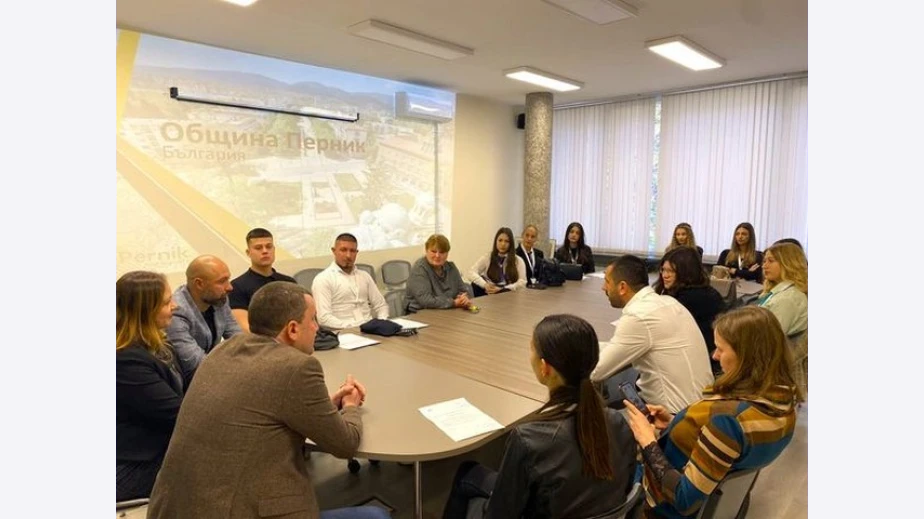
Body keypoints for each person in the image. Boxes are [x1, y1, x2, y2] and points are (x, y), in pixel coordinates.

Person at [148, 281, 390, 519]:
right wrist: (350, 406)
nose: (317, 327)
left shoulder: (223, 350)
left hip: (172, 508)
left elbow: (261, 405)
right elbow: (345, 445)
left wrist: (324, 405)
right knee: (376, 516)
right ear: (292, 329)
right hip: (232, 510)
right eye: (312, 319)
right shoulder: (297, 367)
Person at [442, 314, 637, 519]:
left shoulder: (528, 439)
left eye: (531, 349)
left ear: (545, 368)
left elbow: (500, 513)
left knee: (468, 474)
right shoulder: (617, 422)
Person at [622, 306, 800, 518]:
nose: (715, 356)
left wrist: (648, 441)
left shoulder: (728, 422)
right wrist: (674, 422)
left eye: (721, 349)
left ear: (746, 357)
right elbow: (721, 450)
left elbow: (683, 500)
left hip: (660, 507)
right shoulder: (783, 405)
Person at [591, 255, 713, 414]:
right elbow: (621, 347)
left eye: (607, 281)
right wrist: (587, 346)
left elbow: (596, 371)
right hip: (700, 406)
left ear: (622, 287)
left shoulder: (638, 316)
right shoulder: (668, 302)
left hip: (673, 417)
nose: (603, 288)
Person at [116, 271, 183, 501]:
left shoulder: (159, 346)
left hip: (153, 452)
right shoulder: (125, 360)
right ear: (145, 310)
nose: (175, 306)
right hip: (132, 465)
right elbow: (177, 414)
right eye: (166, 302)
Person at [167, 255, 243, 380]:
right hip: (188, 383)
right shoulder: (176, 311)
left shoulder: (219, 299)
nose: (230, 287)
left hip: (213, 374)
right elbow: (196, 363)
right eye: (222, 281)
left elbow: (238, 339)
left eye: (228, 279)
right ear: (199, 284)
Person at [653, 248, 725, 375]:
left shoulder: (688, 299)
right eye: (663, 270)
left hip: (701, 364)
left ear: (686, 272)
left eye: (671, 271)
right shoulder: (705, 290)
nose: (665, 275)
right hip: (705, 359)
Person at [312, 233, 389, 329]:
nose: (348, 255)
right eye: (343, 250)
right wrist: (355, 327)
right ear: (334, 251)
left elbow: (381, 305)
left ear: (357, 252)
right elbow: (324, 318)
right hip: (342, 332)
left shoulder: (365, 276)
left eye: (352, 251)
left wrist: (382, 323)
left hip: (370, 330)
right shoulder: (323, 279)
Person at [229, 228, 297, 332]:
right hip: (258, 340)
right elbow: (245, 328)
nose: (265, 251)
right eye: (258, 248)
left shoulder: (289, 283)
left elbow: (300, 317)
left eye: (269, 247)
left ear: (274, 249)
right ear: (248, 252)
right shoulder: (236, 287)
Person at [406, 234, 474, 312]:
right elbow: (426, 300)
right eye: (433, 251)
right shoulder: (419, 269)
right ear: (426, 251)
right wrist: (453, 303)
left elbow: (463, 290)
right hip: (419, 313)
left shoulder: (451, 267)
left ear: (447, 253)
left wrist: (464, 298)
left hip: (446, 310)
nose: (437, 255)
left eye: (442, 252)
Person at [757, 242, 808, 337]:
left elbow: (769, 339)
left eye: (771, 261)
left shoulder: (787, 299)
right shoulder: (781, 291)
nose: (764, 266)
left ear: (788, 263)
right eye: (764, 261)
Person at [468, 227, 527, 296]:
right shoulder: (488, 257)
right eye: (500, 240)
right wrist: (485, 284)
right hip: (489, 294)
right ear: (496, 241)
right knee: (475, 284)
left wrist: (503, 289)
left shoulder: (518, 260)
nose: (503, 244)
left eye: (506, 241)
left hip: (508, 295)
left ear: (511, 243)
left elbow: (522, 282)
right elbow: (471, 272)